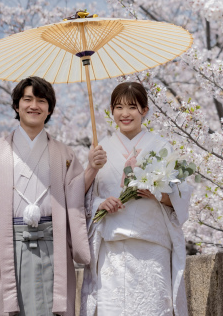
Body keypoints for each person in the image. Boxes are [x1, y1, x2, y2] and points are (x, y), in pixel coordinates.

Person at [0, 76, 106, 315]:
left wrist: (92, 169)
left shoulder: (64, 153)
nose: (34, 105)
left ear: (49, 109)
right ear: (17, 105)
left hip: (53, 244)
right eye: (28, 99)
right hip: (6, 245)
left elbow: (76, 196)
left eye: (42, 101)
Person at [81, 81, 192, 316]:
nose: (125, 113)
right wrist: (101, 202)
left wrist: (158, 194)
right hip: (112, 248)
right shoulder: (101, 150)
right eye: (119, 107)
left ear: (144, 110)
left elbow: (181, 197)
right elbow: (83, 196)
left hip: (151, 246)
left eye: (132, 107)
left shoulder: (161, 147)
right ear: (112, 111)